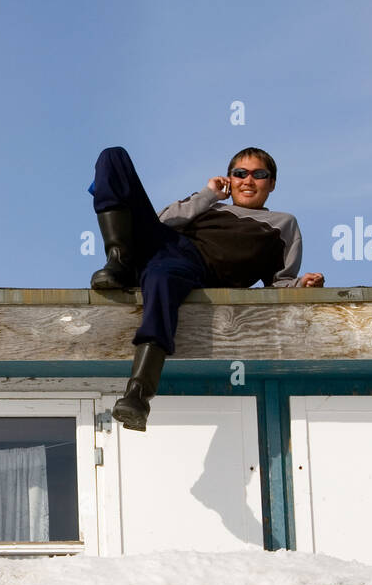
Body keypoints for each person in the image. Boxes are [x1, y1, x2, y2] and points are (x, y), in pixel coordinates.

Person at [87, 145, 325, 430]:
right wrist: (208, 194)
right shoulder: (208, 206)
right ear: (229, 179)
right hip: (163, 245)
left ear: (271, 183)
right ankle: (118, 260)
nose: (248, 180)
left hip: (191, 268)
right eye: (240, 173)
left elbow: (280, 281)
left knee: (162, 281)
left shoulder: (282, 224)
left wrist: (302, 285)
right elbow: (161, 222)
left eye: (259, 174)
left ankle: (138, 395)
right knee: (114, 157)